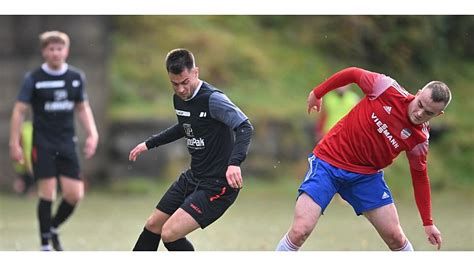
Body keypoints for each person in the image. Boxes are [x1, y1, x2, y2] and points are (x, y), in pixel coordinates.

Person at [276, 67, 450, 251]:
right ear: (419, 93)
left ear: (438, 115)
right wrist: (318, 92)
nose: (420, 113)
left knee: (396, 238)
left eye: (429, 113)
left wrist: (428, 222)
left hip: (365, 177)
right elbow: (352, 73)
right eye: (420, 104)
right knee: (300, 231)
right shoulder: (386, 88)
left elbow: (420, 176)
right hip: (328, 162)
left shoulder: (420, 138)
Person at [129, 48, 253, 251]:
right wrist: (149, 143)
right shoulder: (179, 98)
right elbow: (185, 126)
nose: (180, 90)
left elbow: (245, 126)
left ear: (195, 72)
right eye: (174, 84)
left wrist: (234, 163)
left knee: (169, 233)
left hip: (218, 185)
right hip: (194, 177)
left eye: (185, 82)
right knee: (153, 225)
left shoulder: (213, 99)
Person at [9, 31, 99, 251]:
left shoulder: (76, 77)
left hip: (67, 142)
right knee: (47, 192)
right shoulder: (34, 79)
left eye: (60, 48)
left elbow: (82, 107)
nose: (56, 53)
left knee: (75, 194)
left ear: (66, 51)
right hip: (43, 143)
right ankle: (44, 246)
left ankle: (53, 227)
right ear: (44, 52)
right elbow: (19, 111)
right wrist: (14, 143)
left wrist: (92, 133)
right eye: (51, 48)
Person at [12, 120, 35, 195]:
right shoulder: (28, 131)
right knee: (27, 176)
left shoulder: (24, 129)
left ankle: (26, 190)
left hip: (19, 159)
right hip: (22, 158)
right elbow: (27, 151)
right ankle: (29, 191)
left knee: (23, 176)